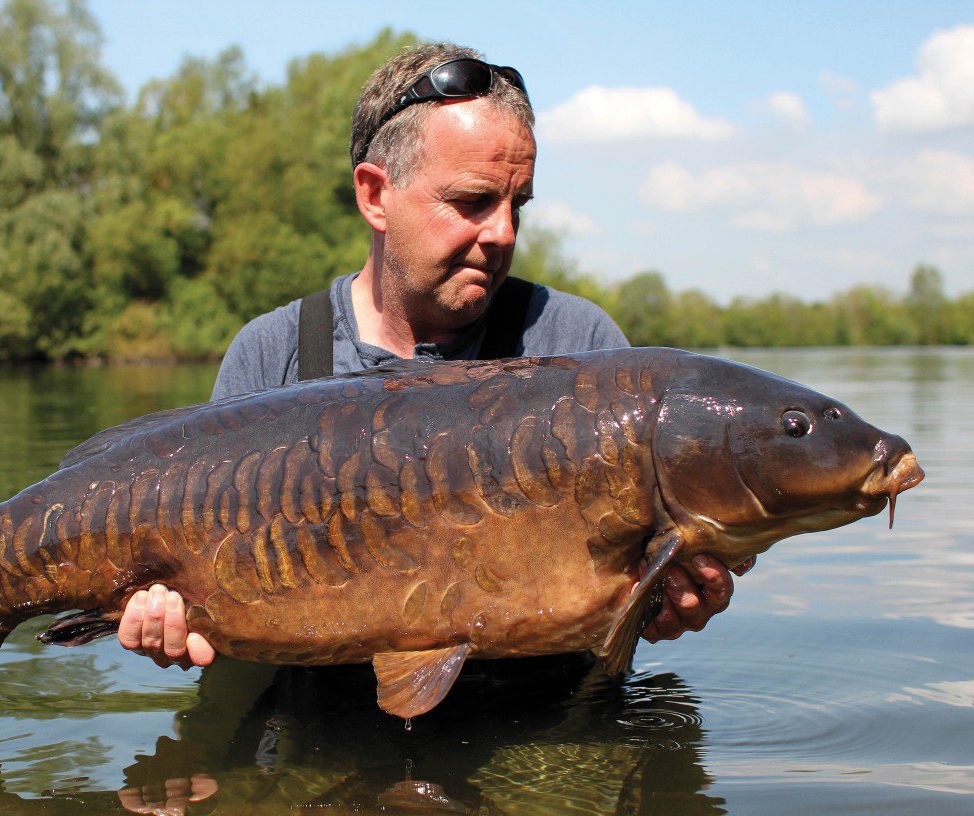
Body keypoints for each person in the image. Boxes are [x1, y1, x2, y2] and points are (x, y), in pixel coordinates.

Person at [116, 42, 752, 672]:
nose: (503, 232)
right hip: (318, 732)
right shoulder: (273, 354)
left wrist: (659, 606)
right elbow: (205, 595)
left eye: (517, 205)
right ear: (375, 196)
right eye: (472, 202)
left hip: (528, 731)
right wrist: (168, 620)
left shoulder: (577, 346)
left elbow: (630, 589)